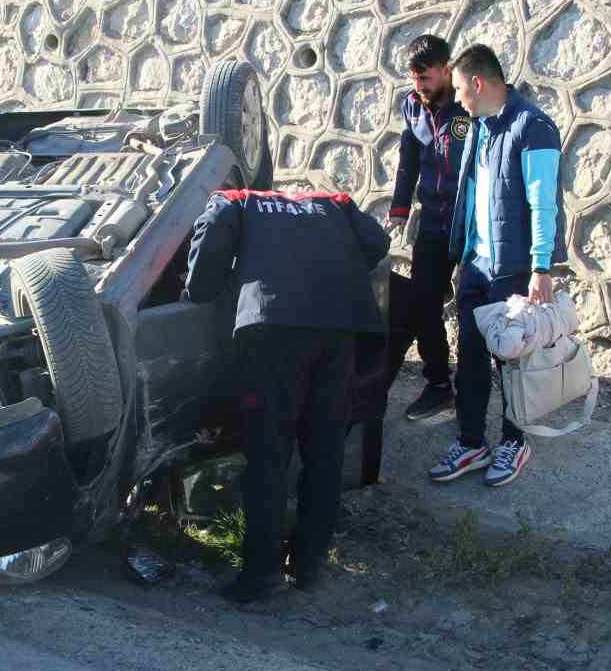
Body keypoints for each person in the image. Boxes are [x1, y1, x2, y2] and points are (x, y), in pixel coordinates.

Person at [184, 188, 389, 603]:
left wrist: (202, 286)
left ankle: (261, 574)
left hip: (272, 328)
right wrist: (333, 276)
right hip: (338, 327)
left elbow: (204, 275)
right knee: (325, 449)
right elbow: (378, 242)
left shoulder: (234, 200)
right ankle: (308, 565)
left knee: (268, 453)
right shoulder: (337, 202)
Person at [428, 44, 566, 488]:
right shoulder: (480, 128)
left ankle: (514, 440)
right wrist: (462, 255)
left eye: (461, 89)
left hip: (513, 270)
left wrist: (541, 267)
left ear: (479, 84)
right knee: (468, 356)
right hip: (477, 266)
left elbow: (543, 202)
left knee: (513, 364)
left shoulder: (534, 127)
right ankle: (471, 442)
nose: (458, 98)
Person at [385, 34, 469, 421]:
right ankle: (439, 385)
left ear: (446, 70)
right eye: (414, 78)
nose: (419, 86)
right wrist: (400, 209)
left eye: (426, 77)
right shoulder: (411, 107)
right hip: (432, 224)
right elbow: (408, 160)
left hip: (470, 226)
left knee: (475, 309)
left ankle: (476, 388)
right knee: (423, 303)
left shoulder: (468, 106)